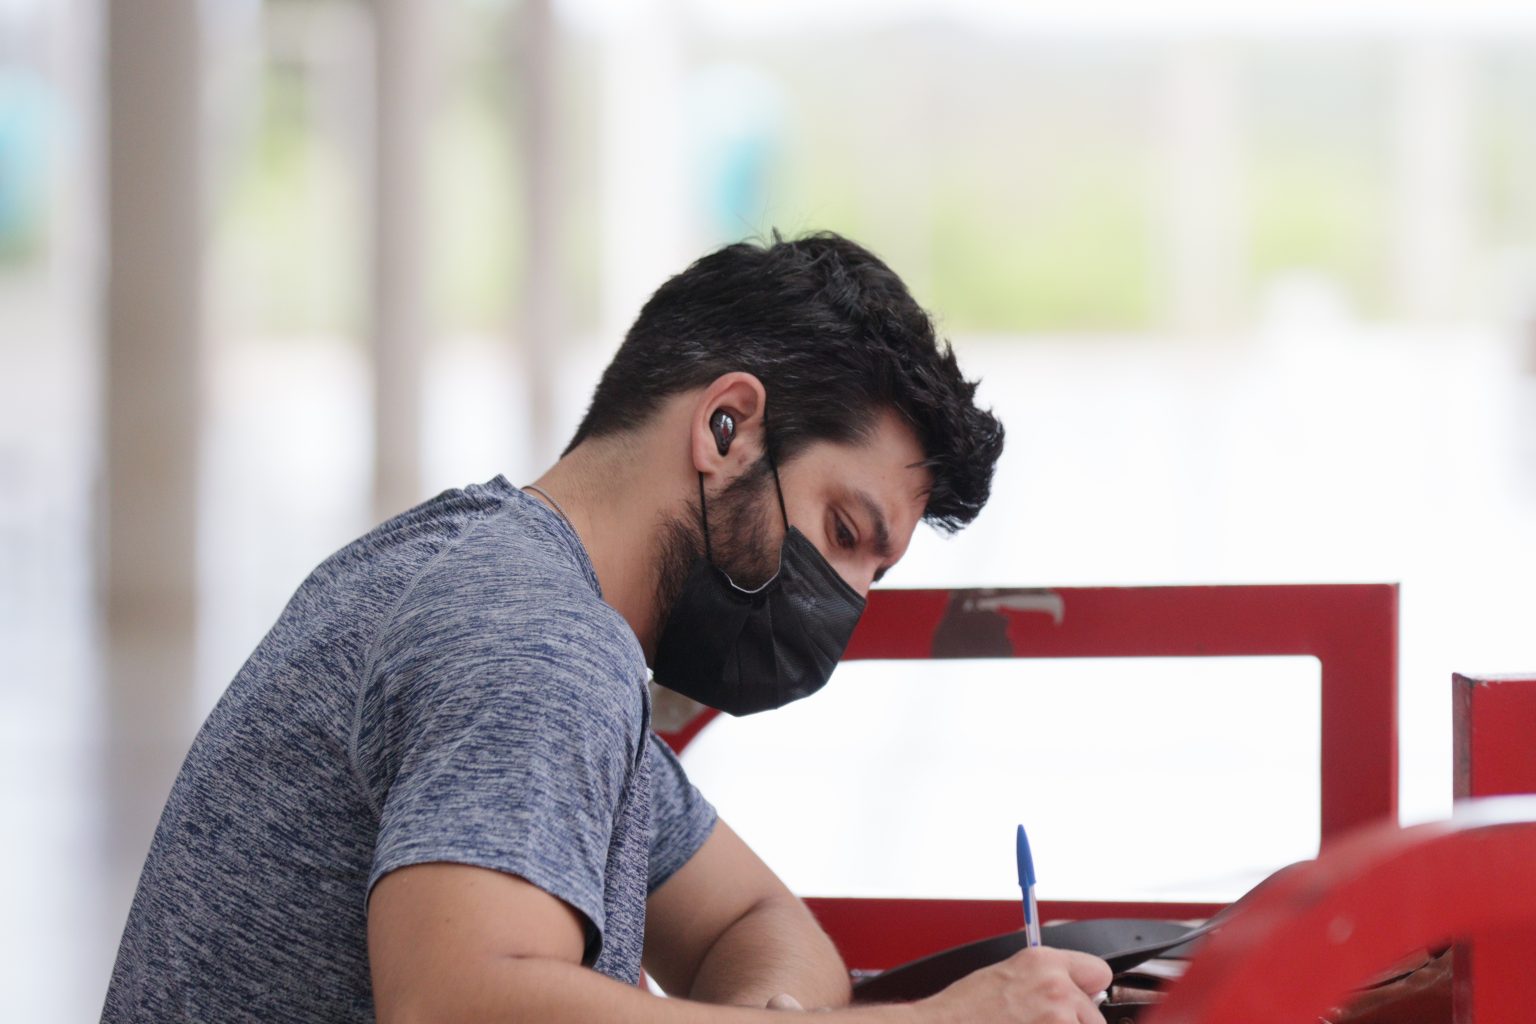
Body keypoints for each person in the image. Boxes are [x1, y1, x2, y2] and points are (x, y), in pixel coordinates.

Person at [102, 232, 1111, 1023]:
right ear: (727, 427)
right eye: (843, 532)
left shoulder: (479, 577)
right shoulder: (535, 640)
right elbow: (460, 1006)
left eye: (871, 575)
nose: (842, 606)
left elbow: (758, 922)